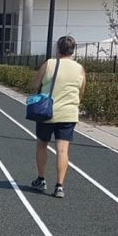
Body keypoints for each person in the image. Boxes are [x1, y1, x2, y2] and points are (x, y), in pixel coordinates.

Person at [29, 36, 85, 199]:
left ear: (57, 48)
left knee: (42, 145)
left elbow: (35, 85)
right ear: (73, 50)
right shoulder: (80, 69)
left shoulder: (50, 64)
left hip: (47, 112)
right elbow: (81, 92)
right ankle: (59, 186)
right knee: (62, 149)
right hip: (68, 113)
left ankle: (41, 179)